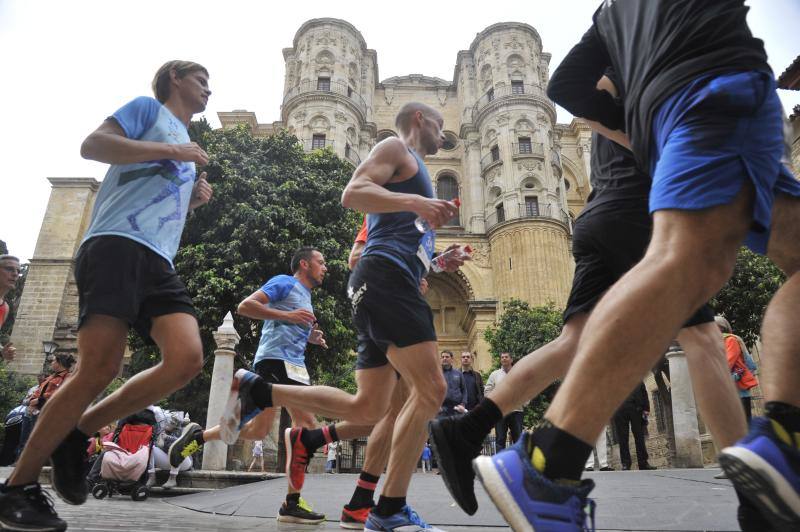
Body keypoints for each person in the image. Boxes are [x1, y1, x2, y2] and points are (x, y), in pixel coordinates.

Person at [468, 1, 800, 530]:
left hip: (686, 111)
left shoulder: (612, 12)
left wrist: (642, 129)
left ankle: (778, 446)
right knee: (686, 268)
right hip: (720, 88)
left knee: (682, 274)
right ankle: (547, 464)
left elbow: (567, 84)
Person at [430, 72, 754, 529]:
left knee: (573, 341)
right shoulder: (654, 80)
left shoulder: (613, 87)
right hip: (636, 211)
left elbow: (578, 88)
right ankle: (755, 494)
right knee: (702, 336)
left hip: (595, 218)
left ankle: (467, 430)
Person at [218, 101, 465, 531]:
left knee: (368, 407)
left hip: (385, 280)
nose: (444, 135)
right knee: (431, 390)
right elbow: (351, 194)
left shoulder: (413, 178)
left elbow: (405, 242)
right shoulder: (396, 149)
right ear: (419, 121)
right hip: (385, 279)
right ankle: (387, 509)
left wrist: (441, 263)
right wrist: (419, 203)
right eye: (440, 125)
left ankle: (263, 391)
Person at [0, 60, 214, 532]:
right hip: (115, 245)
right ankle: (18, 487)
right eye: (201, 80)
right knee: (98, 367)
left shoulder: (183, 146)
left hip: (159, 261)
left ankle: (76, 432)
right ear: (174, 79)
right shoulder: (147, 111)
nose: (208, 90)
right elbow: (92, 145)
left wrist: (190, 201)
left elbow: (152, 199)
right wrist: (173, 150)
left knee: (187, 358)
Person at [168, 246, 331, 524]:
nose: (325, 267)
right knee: (306, 427)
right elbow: (246, 306)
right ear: (304, 264)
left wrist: (309, 337)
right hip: (275, 363)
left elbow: (289, 326)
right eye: (321, 262)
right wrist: (289, 317)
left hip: (294, 367)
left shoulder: (306, 296)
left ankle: (198, 437)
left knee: (259, 430)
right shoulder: (285, 282)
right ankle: (291, 503)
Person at [716, 316, 759, 422]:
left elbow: (728, 362)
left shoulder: (730, 340)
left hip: (738, 386)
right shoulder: (717, 342)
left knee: (744, 423)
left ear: (719, 327)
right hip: (728, 386)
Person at [484, 353, 523, 451]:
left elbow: (527, 387)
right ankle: (500, 464)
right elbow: (487, 390)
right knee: (500, 440)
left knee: (518, 439)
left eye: (506, 357)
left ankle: (518, 463)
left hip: (516, 411)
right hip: (500, 412)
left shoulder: (519, 372)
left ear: (511, 359)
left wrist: (524, 402)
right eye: (502, 357)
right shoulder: (494, 374)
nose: (504, 359)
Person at [612, 382, 654, 471]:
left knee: (639, 436)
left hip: (636, 408)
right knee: (622, 438)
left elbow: (644, 391)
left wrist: (646, 408)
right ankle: (625, 464)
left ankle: (643, 463)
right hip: (619, 409)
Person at [0, 254, 20, 362]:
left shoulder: (5, 307)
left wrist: (2, 351)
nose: (15, 274)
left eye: (18, 271)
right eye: (9, 269)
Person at [439, 351, 467, 417]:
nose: (444, 358)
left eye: (447, 357)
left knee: (457, 427)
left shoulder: (458, 373)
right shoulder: (437, 374)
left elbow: (464, 390)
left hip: (457, 408)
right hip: (442, 409)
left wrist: (463, 404)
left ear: (452, 359)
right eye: (442, 357)